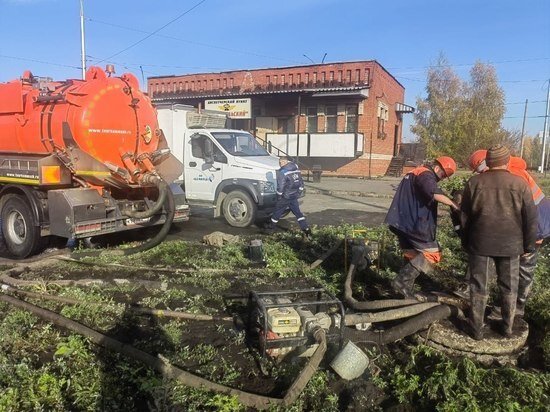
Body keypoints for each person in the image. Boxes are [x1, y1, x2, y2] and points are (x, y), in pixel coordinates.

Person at [461, 145, 537, 340]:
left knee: (478, 287)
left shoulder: (473, 183)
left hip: (480, 243)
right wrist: (529, 246)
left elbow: (465, 217)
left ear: (488, 161)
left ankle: (476, 329)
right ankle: (507, 327)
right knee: (509, 287)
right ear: (506, 161)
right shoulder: (519, 184)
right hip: (511, 245)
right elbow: (530, 218)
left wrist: (466, 241)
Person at [467, 149, 550, 316]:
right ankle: (509, 307)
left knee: (524, 266)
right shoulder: (508, 172)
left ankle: (517, 308)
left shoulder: (512, 176)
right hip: (533, 219)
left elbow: (522, 211)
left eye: (480, 170)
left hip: (537, 223)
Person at [385, 156, 459, 298]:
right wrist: (453, 204)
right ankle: (401, 283)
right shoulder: (425, 174)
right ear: (437, 168)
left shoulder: (415, 172)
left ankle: (404, 291)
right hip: (414, 224)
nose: (442, 178)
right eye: (443, 175)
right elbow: (433, 192)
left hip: (401, 222)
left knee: (412, 254)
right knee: (432, 254)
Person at [266, 157, 311, 237]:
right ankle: (306, 229)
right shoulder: (296, 169)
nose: (280, 164)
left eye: (281, 162)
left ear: (285, 162)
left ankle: (271, 229)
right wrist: (299, 192)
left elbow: (281, 187)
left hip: (285, 197)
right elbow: (301, 182)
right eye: (279, 162)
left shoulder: (282, 172)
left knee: (277, 212)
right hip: (294, 196)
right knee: (298, 213)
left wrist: (279, 196)